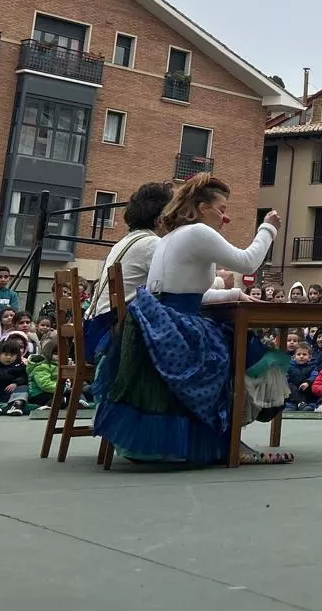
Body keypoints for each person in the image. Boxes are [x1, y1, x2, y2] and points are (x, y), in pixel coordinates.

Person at [91, 173, 291, 466]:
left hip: (155, 322)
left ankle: (227, 437)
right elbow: (247, 261)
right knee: (241, 348)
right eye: (221, 209)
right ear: (200, 207)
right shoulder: (198, 233)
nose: (226, 217)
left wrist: (234, 294)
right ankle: (234, 437)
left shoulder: (169, 237)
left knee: (230, 341)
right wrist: (268, 228)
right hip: (177, 324)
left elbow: (189, 292)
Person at [88, 181, 174, 324]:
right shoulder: (152, 244)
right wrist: (221, 281)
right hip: (113, 333)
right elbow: (179, 284)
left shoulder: (125, 242)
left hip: (97, 326)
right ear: (160, 220)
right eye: (174, 215)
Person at [285, 345, 318, 411]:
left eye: (304, 354)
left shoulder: (312, 366)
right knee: (289, 385)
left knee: (313, 385)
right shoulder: (289, 366)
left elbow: (314, 375)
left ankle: (300, 405)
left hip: (305, 389)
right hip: (293, 391)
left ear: (309, 357)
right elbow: (285, 375)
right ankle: (299, 404)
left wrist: (308, 382)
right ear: (294, 357)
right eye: (299, 354)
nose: (301, 356)